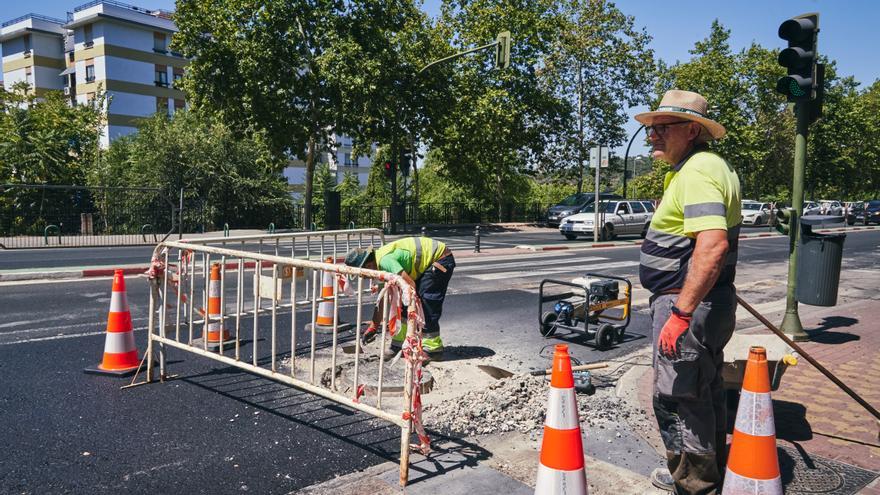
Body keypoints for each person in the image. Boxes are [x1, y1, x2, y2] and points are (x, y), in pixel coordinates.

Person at [635, 90, 741, 494]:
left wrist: (680, 314)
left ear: (692, 129)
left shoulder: (697, 171)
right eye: (652, 129)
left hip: (687, 307)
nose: (652, 136)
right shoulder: (707, 168)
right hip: (705, 304)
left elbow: (712, 244)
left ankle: (693, 482)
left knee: (679, 396)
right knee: (706, 386)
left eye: (663, 128)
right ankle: (710, 470)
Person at [344, 236, 455, 357]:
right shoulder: (378, 265)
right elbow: (383, 298)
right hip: (428, 261)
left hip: (440, 258)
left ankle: (433, 349)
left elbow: (409, 286)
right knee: (403, 304)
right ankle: (399, 345)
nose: (364, 278)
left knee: (426, 302)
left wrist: (411, 301)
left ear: (368, 266)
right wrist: (373, 326)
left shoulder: (385, 262)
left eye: (362, 274)